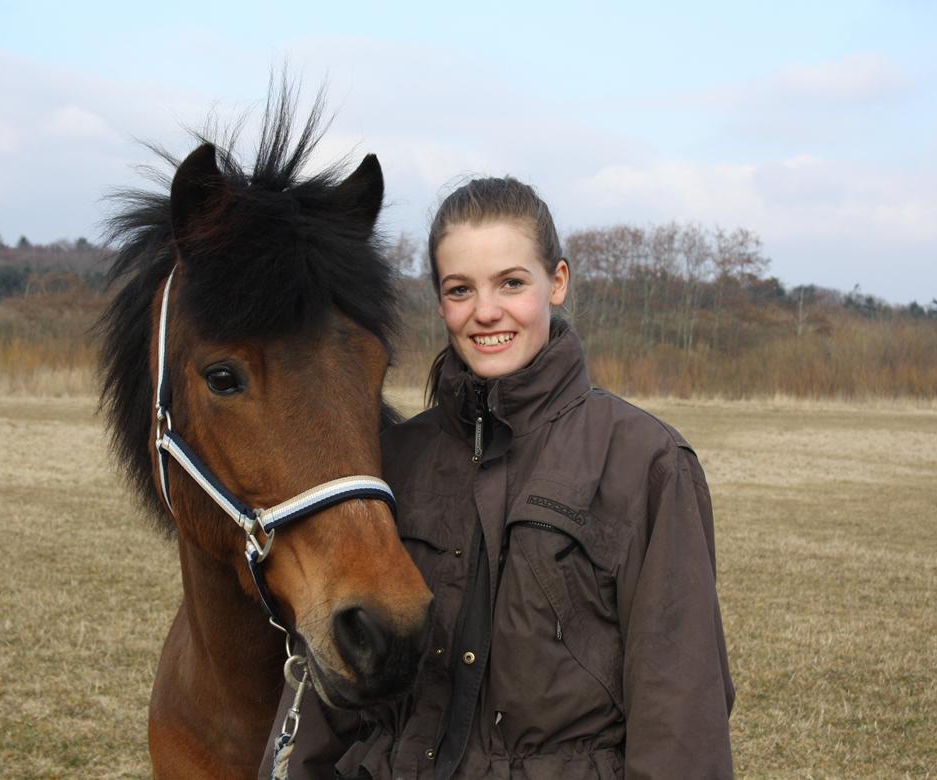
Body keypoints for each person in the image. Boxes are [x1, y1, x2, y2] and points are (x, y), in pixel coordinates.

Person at [261, 176, 735, 779]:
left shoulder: (646, 461)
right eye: (460, 289)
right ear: (440, 302)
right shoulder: (390, 459)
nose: (486, 311)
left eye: (511, 283)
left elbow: (681, 710)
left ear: (556, 282)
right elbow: (327, 690)